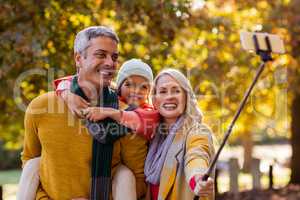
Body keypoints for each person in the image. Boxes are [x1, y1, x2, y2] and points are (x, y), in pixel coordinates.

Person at [19, 26, 129, 200]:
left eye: (114, 57)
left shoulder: (124, 112)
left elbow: (137, 177)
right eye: (101, 54)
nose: (110, 63)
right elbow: (29, 161)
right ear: (79, 59)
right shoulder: (40, 107)